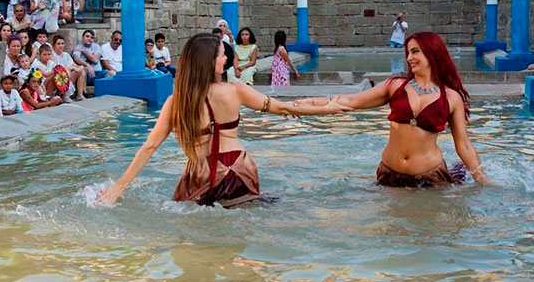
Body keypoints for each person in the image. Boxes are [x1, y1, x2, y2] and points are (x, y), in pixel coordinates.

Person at [98, 33, 350, 206]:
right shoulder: (235, 89)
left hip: (203, 172)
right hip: (240, 167)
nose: (226, 59)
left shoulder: (177, 102)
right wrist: (326, 109)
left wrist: (119, 187)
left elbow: (150, 146)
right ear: (208, 61)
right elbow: (281, 108)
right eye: (221, 55)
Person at [295, 32, 489, 187]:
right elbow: (348, 101)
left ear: (432, 52)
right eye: (408, 52)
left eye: (415, 51)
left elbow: (463, 145)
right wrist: (309, 103)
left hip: (430, 178)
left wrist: (483, 182)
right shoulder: (395, 86)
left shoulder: (451, 98)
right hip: (389, 175)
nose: (409, 57)